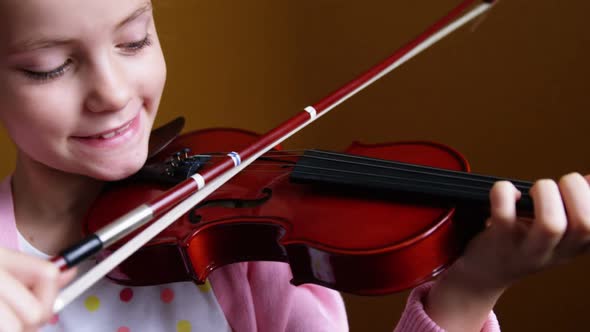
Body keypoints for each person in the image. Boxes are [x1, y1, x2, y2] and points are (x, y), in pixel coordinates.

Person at [0, 0, 588, 331]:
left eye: (134, 40)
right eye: (49, 66)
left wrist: (470, 291)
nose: (114, 92)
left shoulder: (239, 253)